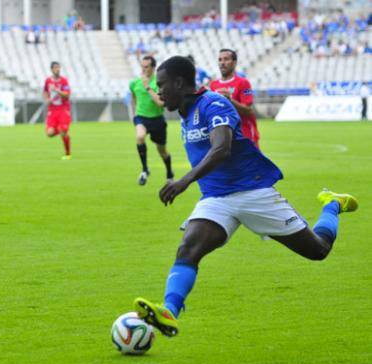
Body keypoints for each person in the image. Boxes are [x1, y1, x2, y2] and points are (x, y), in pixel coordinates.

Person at [132, 56, 359, 338]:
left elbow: (222, 148)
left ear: (179, 83)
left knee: (318, 250)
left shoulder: (213, 103)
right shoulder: (186, 111)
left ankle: (333, 205)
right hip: (216, 198)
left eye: (162, 85)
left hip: (253, 192)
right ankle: (169, 312)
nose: (159, 91)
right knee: (188, 247)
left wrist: (184, 181)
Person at [129, 55, 174, 186]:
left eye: (146, 67)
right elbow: (133, 98)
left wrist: (148, 87)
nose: (143, 69)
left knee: (162, 151)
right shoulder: (134, 83)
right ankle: (144, 170)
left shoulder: (159, 83)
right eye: (142, 67)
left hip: (157, 120)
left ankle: (169, 173)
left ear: (153, 68)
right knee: (140, 137)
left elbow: (161, 103)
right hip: (141, 117)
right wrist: (133, 114)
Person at [209, 49, 260, 148]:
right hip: (226, 137)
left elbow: (248, 111)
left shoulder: (243, 83)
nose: (222, 63)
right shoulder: (213, 85)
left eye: (226, 59)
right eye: (220, 60)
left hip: (245, 134)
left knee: (252, 163)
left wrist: (230, 100)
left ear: (234, 62)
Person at [43, 61, 72, 160]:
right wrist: (47, 99)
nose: (57, 69)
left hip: (63, 109)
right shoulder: (48, 81)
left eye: (58, 67)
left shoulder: (64, 81)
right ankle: (62, 131)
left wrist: (57, 90)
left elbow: (67, 94)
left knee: (63, 131)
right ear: (52, 69)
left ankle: (68, 154)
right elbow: (45, 91)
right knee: (49, 133)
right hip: (52, 110)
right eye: (55, 68)